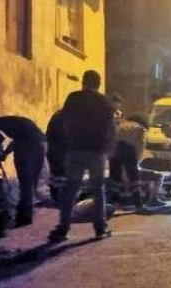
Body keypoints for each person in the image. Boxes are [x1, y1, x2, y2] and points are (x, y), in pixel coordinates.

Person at [49, 70, 116, 242]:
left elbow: (65, 121)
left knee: (70, 189)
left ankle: (63, 228)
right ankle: (100, 228)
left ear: (83, 82)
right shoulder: (105, 102)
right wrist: (109, 149)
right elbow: (111, 128)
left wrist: (68, 141)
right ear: (98, 84)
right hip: (97, 152)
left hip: (76, 149)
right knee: (98, 190)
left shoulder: (73, 98)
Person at [110, 114, 166, 210]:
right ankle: (153, 200)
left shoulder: (119, 127)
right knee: (159, 176)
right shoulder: (141, 130)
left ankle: (117, 202)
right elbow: (140, 148)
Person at [45, 109, 67, 205]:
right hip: (61, 151)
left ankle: (57, 199)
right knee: (61, 175)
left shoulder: (58, 116)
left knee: (56, 175)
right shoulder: (65, 117)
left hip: (54, 150)